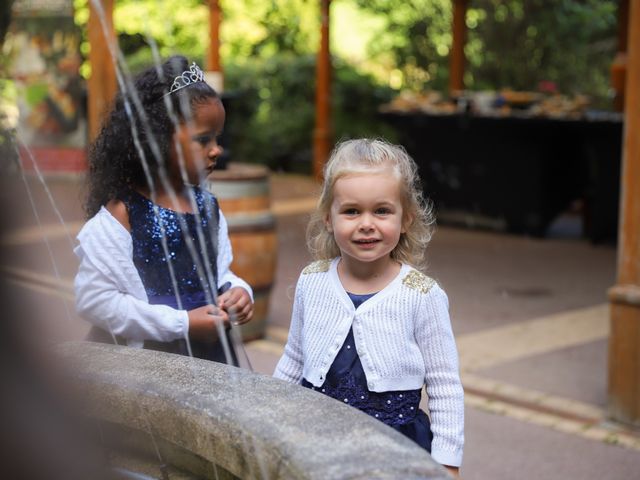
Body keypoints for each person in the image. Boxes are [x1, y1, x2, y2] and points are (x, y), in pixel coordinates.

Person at [273, 139, 464, 475]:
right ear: (329, 218)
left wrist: (447, 460)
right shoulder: (312, 281)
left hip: (394, 446)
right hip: (316, 439)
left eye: (382, 210)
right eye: (351, 211)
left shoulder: (421, 294)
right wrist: (268, 416)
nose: (366, 224)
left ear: (406, 219)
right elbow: (294, 358)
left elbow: (444, 384)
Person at [74, 55, 254, 363]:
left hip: (208, 357)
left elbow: (220, 272)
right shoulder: (123, 214)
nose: (217, 149)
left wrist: (237, 291)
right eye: (203, 140)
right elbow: (94, 300)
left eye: (217, 138)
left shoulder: (207, 207)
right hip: (146, 364)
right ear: (155, 141)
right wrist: (181, 324)